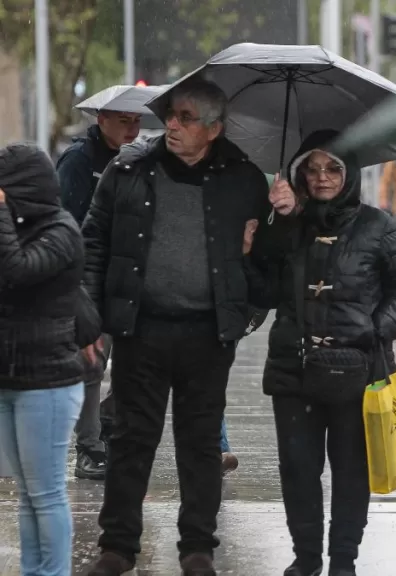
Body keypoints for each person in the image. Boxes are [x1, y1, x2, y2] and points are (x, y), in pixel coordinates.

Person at [82, 78, 270, 576]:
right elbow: (94, 242)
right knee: (129, 439)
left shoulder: (246, 181)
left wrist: (266, 246)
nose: (172, 124)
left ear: (214, 129)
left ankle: (197, 549)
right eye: (169, 115)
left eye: (186, 118)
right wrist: (92, 319)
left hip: (208, 335)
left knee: (201, 444)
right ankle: (118, 547)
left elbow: (270, 268)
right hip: (140, 329)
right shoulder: (128, 169)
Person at [246, 130, 396, 576]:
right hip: (294, 367)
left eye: (333, 168)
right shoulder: (286, 222)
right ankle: (305, 559)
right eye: (313, 168)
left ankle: (344, 560)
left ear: (350, 173)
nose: (322, 178)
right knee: (298, 472)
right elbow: (263, 291)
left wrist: (375, 329)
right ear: (300, 172)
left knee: (351, 473)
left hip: (357, 370)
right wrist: (264, 234)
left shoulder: (378, 226)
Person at [0, 143, 101, 576]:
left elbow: (16, 271)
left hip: (49, 384)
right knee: (26, 494)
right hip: (9, 379)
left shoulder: (61, 231)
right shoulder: (16, 227)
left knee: (47, 494)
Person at [55, 109, 141, 481]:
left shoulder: (140, 161)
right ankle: (88, 445)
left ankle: (106, 424)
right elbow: (64, 219)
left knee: (136, 363)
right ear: (102, 119)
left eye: (136, 122)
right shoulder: (80, 159)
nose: (131, 129)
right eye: (123, 121)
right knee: (92, 360)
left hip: (131, 277)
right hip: (90, 276)